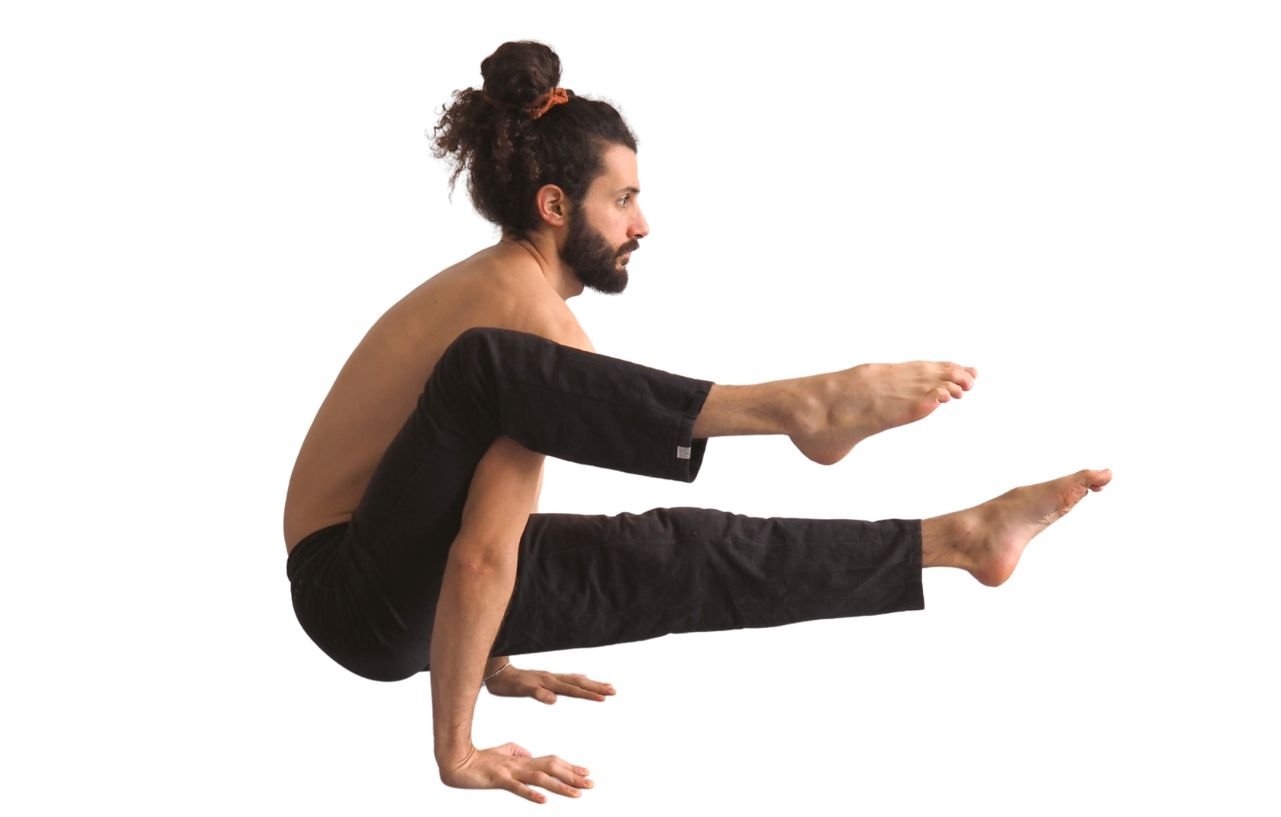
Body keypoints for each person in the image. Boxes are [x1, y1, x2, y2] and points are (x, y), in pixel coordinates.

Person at [282, 40, 1112, 805]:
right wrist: (455, 748)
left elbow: (481, 537)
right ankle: (797, 406)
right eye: (623, 199)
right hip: (348, 588)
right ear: (553, 204)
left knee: (685, 550)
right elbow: (481, 553)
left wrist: (485, 654)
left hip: (412, 598)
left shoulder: (543, 346)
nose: (642, 224)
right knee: (490, 365)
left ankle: (955, 539)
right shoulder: (513, 314)